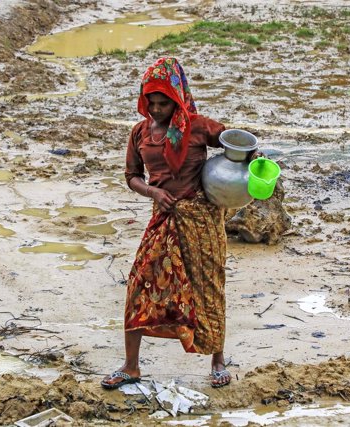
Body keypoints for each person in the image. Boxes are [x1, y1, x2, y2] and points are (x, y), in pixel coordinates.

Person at [101, 57, 232, 389]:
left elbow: (237, 144)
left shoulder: (198, 126)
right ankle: (131, 366)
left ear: (178, 98)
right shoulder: (140, 133)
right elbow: (132, 176)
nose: (157, 109)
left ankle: (217, 361)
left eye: (164, 102)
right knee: (139, 286)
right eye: (151, 102)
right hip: (163, 218)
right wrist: (152, 193)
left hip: (201, 219)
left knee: (208, 286)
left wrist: (253, 160)